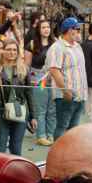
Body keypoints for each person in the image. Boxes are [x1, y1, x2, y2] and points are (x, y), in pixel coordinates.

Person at [46, 17, 88, 140]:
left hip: (79, 95)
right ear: (70, 30)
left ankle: (69, 157)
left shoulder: (77, 46)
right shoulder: (57, 47)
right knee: (62, 127)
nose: (80, 32)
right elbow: (54, 70)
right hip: (66, 96)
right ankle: (58, 157)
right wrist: (65, 90)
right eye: (78, 29)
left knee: (74, 130)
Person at [0, 38, 36, 155]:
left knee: (16, 148)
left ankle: (15, 172)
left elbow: (29, 93)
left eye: (14, 50)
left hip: (20, 111)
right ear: (2, 51)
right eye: (8, 49)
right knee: (0, 148)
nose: (12, 52)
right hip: (1, 112)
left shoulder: (24, 69)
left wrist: (33, 116)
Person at [26, 17, 58, 146]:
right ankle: (41, 135)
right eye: (43, 27)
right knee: (41, 108)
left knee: (52, 108)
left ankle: (51, 134)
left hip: (53, 78)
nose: (46, 30)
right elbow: (27, 65)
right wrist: (29, 80)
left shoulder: (55, 43)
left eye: (48, 27)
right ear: (38, 30)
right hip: (39, 80)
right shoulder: (32, 44)